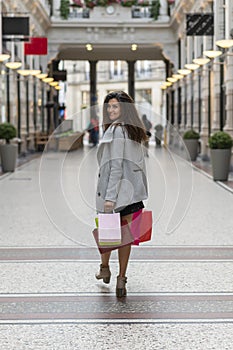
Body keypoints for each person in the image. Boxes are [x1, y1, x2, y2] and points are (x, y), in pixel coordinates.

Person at [95, 91, 148, 297]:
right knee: (125, 238)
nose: (110, 110)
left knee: (108, 232)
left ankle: (104, 267)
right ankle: (121, 278)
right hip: (133, 192)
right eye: (109, 107)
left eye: (115, 107)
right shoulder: (134, 129)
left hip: (116, 192)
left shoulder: (117, 131)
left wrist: (109, 197)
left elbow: (115, 166)